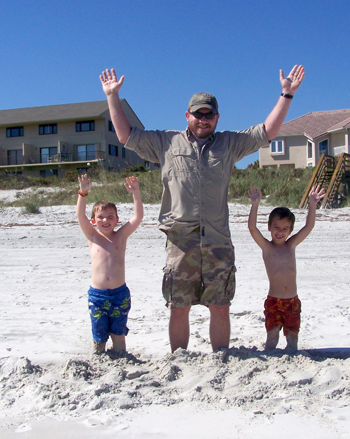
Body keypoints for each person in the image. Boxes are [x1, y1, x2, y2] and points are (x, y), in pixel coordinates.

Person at [100, 65, 304, 352]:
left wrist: (286, 94)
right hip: (180, 242)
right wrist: (112, 97)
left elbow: (266, 132)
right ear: (188, 116)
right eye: (198, 113)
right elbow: (126, 136)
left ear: (217, 118)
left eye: (209, 114)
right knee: (178, 307)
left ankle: (220, 358)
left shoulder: (230, 144)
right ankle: (179, 359)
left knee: (220, 306)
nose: (203, 119)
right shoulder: (166, 142)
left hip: (218, 241)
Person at [247, 184, 325, 353]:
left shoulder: (291, 245)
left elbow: (309, 227)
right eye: (276, 228)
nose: (280, 232)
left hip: (292, 302)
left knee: (292, 339)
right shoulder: (267, 248)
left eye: (285, 229)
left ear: (290, 231)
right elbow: (252, 228)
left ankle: (291, 357)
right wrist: (255, 205)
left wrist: (312, 204)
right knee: (272, 337)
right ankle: (270, 357)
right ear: (269, 227)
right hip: (274, 302)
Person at [76, 174, 144, 353]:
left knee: (118, 333)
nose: (105, 220)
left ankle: (121, 356)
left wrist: (136, 193)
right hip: (97, 297)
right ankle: (98, 356)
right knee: (99, 335)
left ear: (117, 219)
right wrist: (83, 193)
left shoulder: (120, 236)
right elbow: (80, 215)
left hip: (119, 295)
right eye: (100, 217)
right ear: (93, 221)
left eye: (110, 216)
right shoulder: (92, 237)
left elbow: (137, 217)